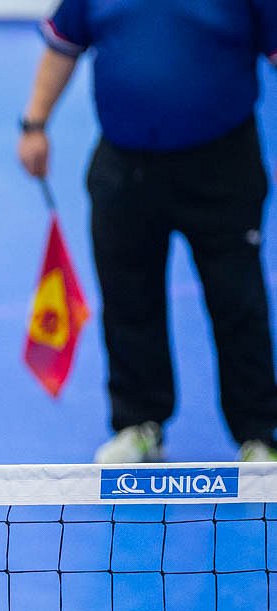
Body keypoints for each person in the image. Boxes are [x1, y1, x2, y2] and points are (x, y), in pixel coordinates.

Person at [17, 0, 277, 463]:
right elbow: (63, 45)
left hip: (223, 165)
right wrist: (35, 124)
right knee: (127, 298)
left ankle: (258, 434)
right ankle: (138, 424)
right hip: (124, 165)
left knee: (238, 299)